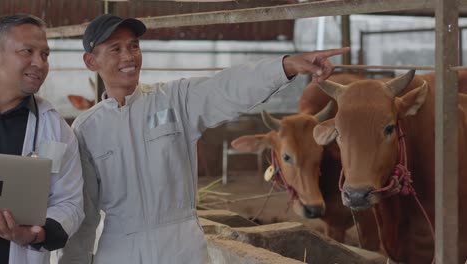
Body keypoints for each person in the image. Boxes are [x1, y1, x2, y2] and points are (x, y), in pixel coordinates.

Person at [58, 14, 349, 264]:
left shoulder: (174, 100)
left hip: (181, 246)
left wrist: (286, 66)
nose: (129, 57)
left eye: (134, 46)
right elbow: (85, 213)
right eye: (116, 49)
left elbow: (227, 87)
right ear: (90, 60)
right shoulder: (86, 129)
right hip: (118, 249)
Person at [0, 14, 84, 264]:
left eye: (45, 55)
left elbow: (69, 203)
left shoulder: (54, 128)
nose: (40, 63)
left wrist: (34, 234)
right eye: (28, 51)